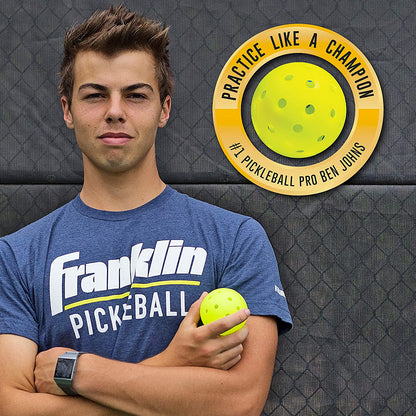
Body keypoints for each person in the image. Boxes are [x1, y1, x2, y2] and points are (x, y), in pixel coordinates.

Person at [0, 5, 292, 416]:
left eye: (136, 95)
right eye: (95, 95)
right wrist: (174, 365)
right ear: (67, 110)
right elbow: (11, 407)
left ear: (165, 108)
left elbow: (239, 402)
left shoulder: (236, 237)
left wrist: (80, 372)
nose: (115, 110)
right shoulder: (16, 256)